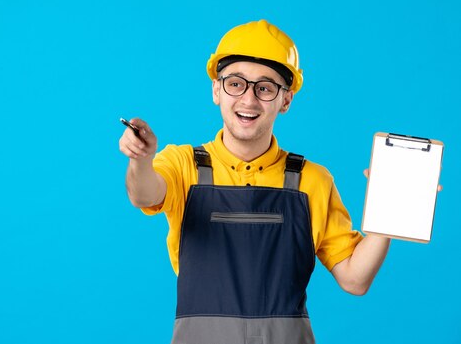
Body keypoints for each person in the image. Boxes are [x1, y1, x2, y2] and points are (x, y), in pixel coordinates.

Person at [118, 19, 391, 344]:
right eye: (236, 83)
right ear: (217, 90)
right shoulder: (183, 165)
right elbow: (144, 194)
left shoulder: (312, 180)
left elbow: (355, 280)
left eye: (264, 88)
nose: (248, 100)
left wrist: (389, 211)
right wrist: (141, 159)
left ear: (285, 100)